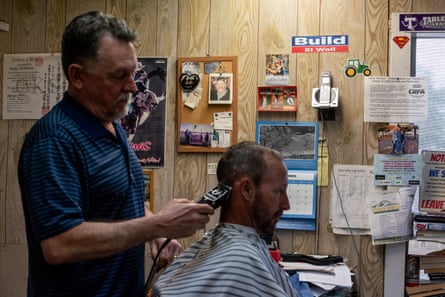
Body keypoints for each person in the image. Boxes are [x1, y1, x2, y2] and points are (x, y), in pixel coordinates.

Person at [17, 11, 214, 297]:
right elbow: (59, 244)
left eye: (133, 72)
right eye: (119, 75)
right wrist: (156, 224)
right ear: (77, 76)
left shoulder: (112, 123)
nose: (133, 86)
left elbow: (121, 196)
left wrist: (156, 234)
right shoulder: (54, 140)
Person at [152, 141, 299, 297]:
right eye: (278, 191)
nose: (286, 204)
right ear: (247, 189)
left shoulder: (232, 248)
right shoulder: (241, 262)